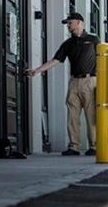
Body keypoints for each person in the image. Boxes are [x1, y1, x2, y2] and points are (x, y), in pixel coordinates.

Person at [26, 12, 100, 156]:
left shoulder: (93, 39)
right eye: (67, 23)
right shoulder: (68, 43)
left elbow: (103, 59)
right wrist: (37, 71)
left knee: (91, 115)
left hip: (90, 81)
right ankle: (74, 147)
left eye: (70, 22)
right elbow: (55, 60)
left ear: (79, 22)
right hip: (74, 82)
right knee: (72, 116)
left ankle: (94, 146)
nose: (68, 26)